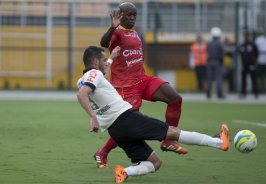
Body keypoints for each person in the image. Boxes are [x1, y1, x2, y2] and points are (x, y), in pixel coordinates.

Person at [77, 46, 230, 183]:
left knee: (155, 163)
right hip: (126, 118)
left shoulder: (83, 79)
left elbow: (91, 82)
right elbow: (82, 94)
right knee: (172, 132)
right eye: (104, 60)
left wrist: (111, 58)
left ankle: (125, 172)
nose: (106, 63)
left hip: (115, 130)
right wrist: (93, 117)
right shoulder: (95, 74)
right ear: (96, 62)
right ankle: (219, 143)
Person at [95, 2, 187, 168]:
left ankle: (167, 141)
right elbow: (103, 43)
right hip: (125, 85)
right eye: (128, 15)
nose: (132, 19)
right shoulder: (116, 33)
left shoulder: (135, 32)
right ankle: (103, 152)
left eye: (134, 16)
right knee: (127, 124)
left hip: (142, 79)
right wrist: (111, 27)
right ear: (120, 15)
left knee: (175, 98)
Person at [206, 27, 225, 99]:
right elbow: (222, 54)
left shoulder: (209, 44)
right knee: (218, 78)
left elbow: (207, 52)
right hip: (217, 61)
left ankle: (208, 94)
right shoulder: (220, 44)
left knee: (209, 78)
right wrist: (221, 62)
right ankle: (219, 94)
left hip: (209, 61)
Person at [239, 32, 259, 98]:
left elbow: (256, 54)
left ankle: (256, 93)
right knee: (243, 80)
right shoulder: (242, 45)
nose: (246, 37)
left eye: (247, 36)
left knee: (254, 79)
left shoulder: (253, 45)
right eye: (245, 36)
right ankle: (243, 93)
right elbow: (241, 55)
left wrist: (254, 63)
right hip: (244, 65)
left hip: (252, 65)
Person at [255, 28, 266, 93]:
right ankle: (258, 89)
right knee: (258, 75)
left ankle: (264, 88)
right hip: (259, 60)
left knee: (264, 76)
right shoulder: (259, 39)